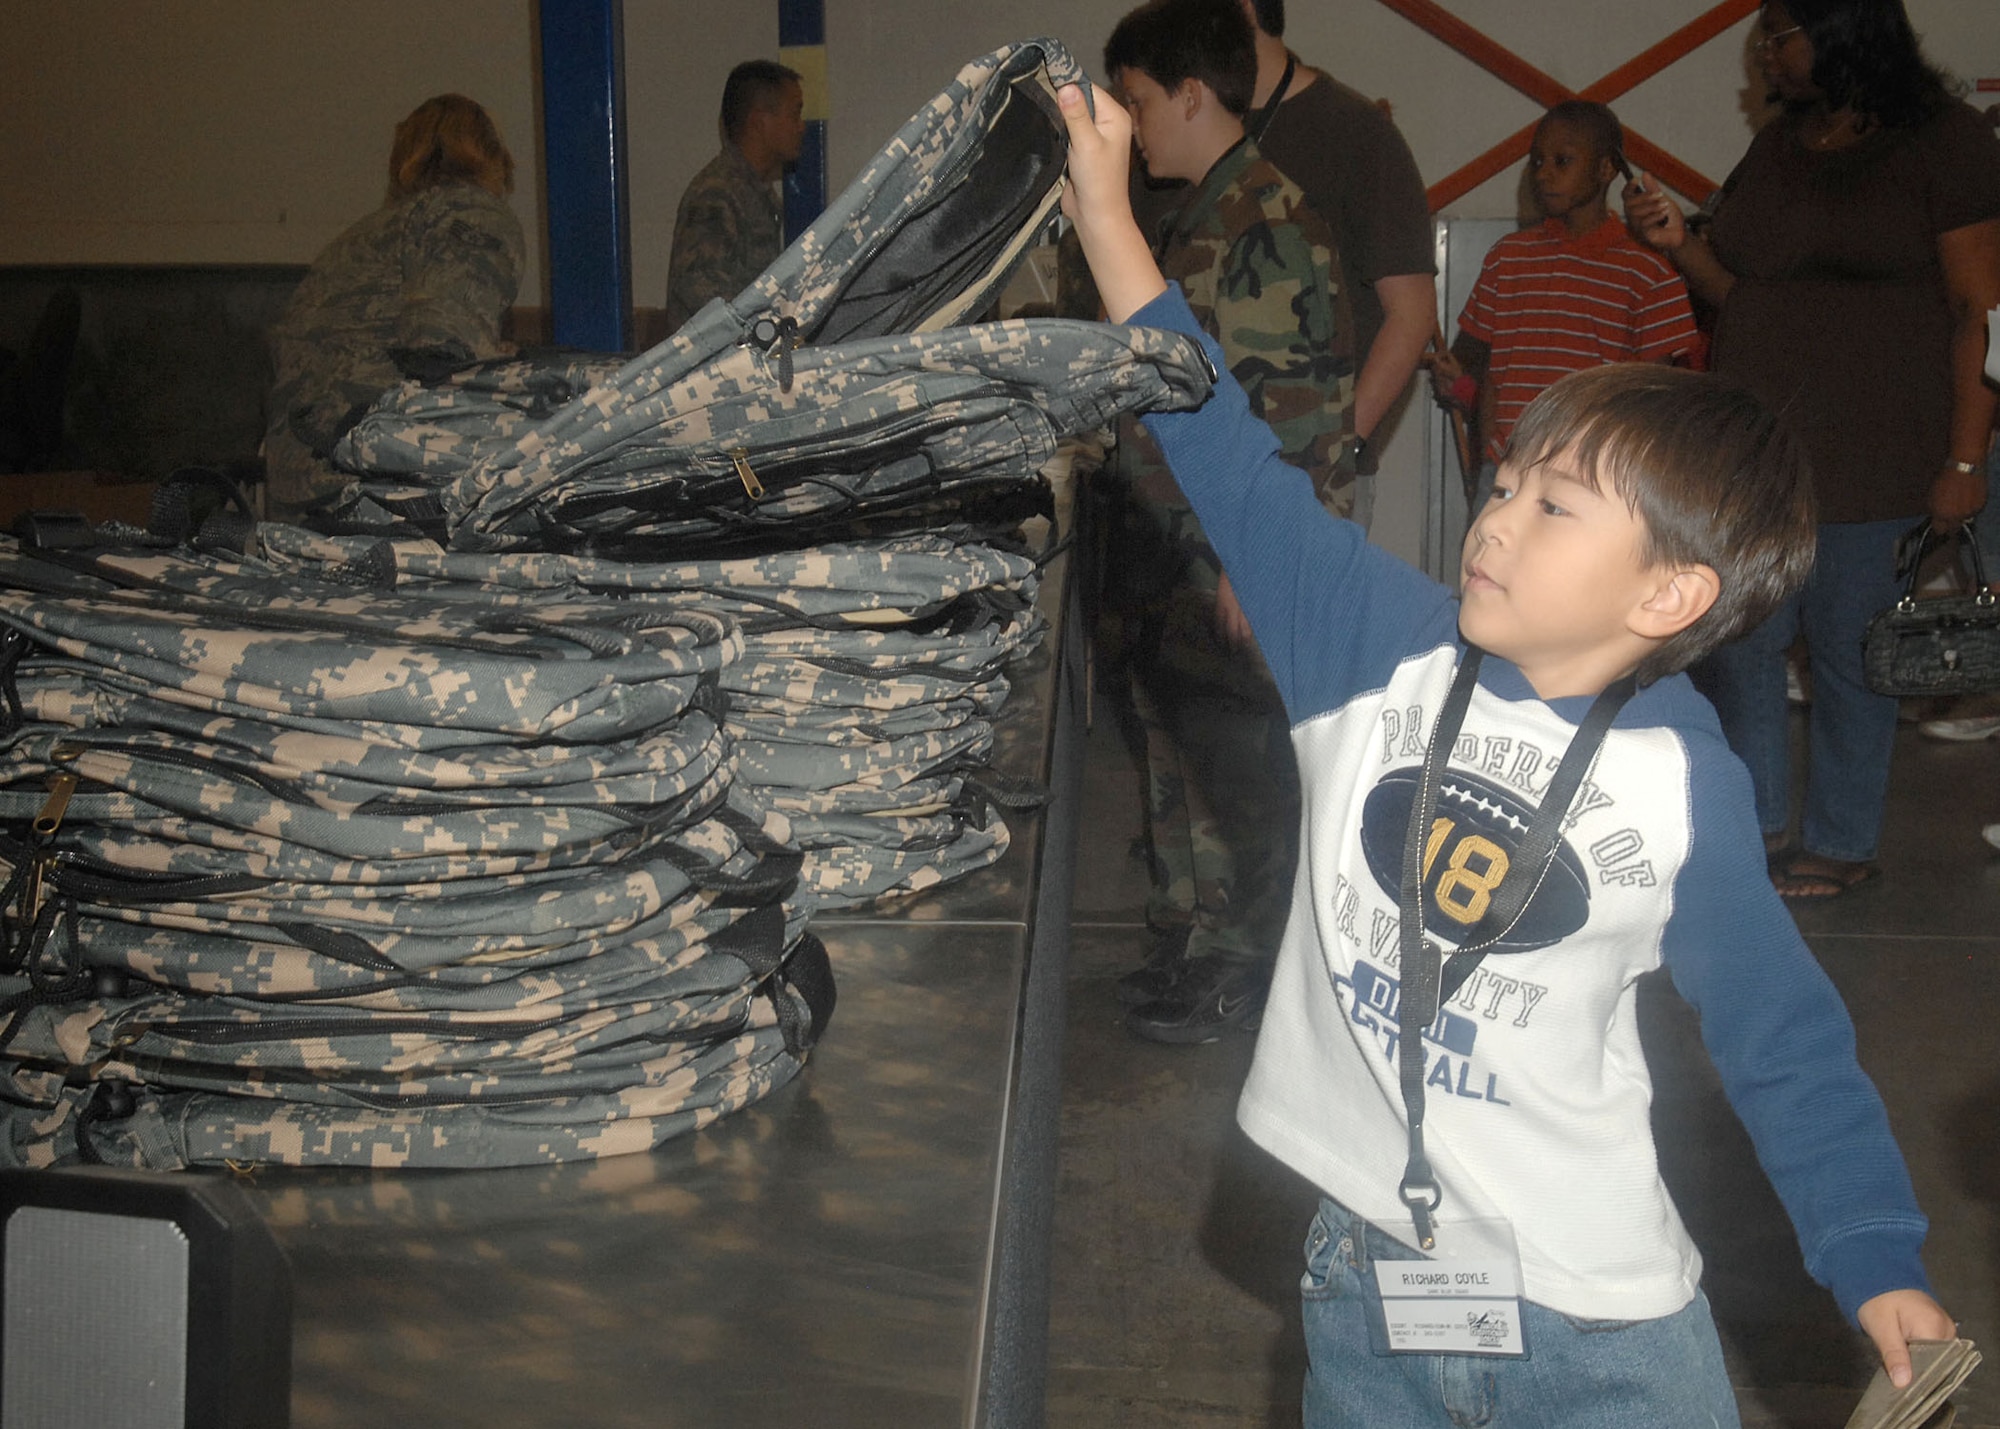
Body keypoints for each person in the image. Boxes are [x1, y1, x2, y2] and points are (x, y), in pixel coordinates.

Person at [1057, 74, 1954, 1427]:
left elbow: (1783, 1036)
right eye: (1513, 475)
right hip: (1367, 1281)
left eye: (1556, 506)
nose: (1496, 515)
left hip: (1599, 1323)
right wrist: (1113, 218)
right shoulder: (1369, 643)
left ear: (1666, 598)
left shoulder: (1681, 787)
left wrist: (1875, 1255)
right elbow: (1221, 448)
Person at [1625, 0, 2000, 899]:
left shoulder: (1941, 142)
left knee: (1849, 650)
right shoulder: (1781, 146)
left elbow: (1981, 313)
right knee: (1743, 639)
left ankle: (1839, 840)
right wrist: (1680, 245)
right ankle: (1753, 826)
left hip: (1879, 450)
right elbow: (1738, 284)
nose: (1764, 55)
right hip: (1762, 450)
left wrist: (1963, 460)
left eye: (1780, 35)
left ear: (1842, 34)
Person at [1094, 0, 1356, 1044]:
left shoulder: (1264, 223)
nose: (1128, 120)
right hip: (1181, 545)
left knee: (1241, 770)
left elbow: (1289, 412)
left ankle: (1242, 966)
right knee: (1183, 753)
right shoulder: (1207, 212)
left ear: (1192, 94)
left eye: (1137, 99)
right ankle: (1192, 933)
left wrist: (1253, 559)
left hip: (1228, 553)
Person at [266, 94, 524, 521]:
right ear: (494, 158)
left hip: (298, 483)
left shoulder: (357, 240)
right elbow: (443, 350)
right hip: (380, 483)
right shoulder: (471, 211)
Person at [1432, 101, 1700, 502]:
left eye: (1562, 161)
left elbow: (1651, 401)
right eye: (1537, 161)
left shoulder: (1648, 272)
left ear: (1606, 169)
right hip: (1507, 470)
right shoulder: (1507, 258)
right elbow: (1487, 377)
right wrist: (1464, 396)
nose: (1544, 174)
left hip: (1593, 480)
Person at [663, 60, 806, 334]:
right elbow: (701, 295)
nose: (800, 127)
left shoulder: (753, 194)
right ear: (759, 122)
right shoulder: (716, 196)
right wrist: (766, 330)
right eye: (794, 114)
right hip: (714, 371)